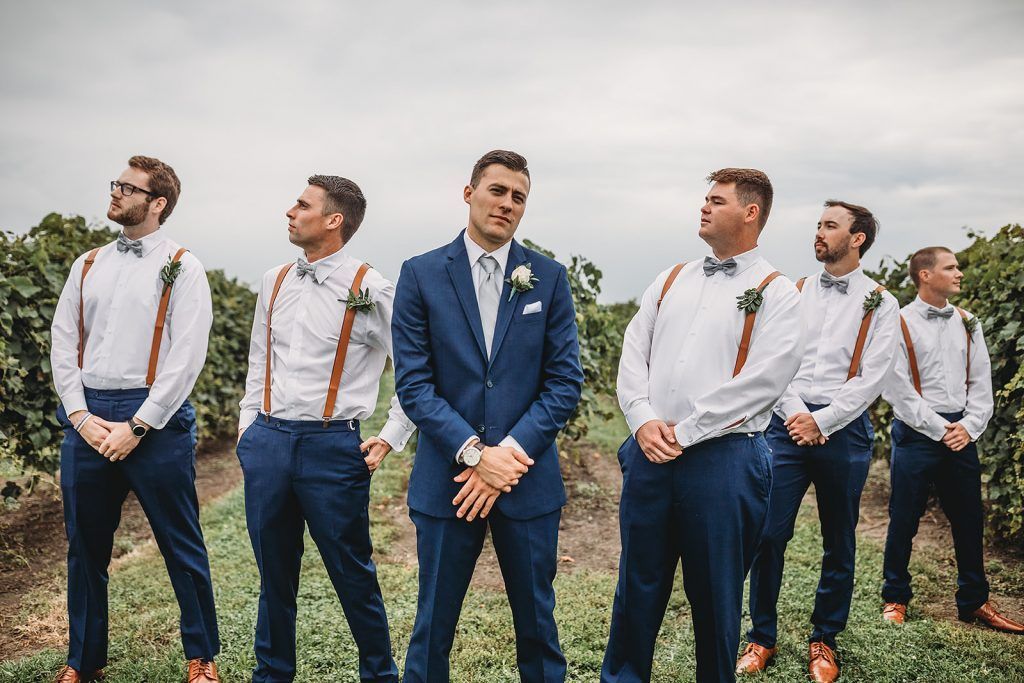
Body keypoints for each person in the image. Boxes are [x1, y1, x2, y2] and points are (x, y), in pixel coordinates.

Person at [603, 168, 803, 683]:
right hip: (650, 453)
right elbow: (634, 352)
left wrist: (687, 430)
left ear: (750, 212)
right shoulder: (670, 279)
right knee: (636, 586)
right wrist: (642, 419)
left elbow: (765, 381)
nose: (704, 207)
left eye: (717, 200)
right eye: (705, 199)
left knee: (716, 593)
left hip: (725, 460)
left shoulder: (778, 293)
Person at [392, 150, 583, 682]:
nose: (507, 203)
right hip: (448, 481)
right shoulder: (421, 273)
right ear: (469, 193)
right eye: (497, 190)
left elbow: (564, 382)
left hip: (527, 479)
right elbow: (414, 385)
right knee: (432, 627)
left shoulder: (548, 277)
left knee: (538, 628)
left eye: (518, 197)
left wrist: (508, 458)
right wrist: (476, 456)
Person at [236, 175, 415, 682]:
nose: (290, 212)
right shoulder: (273, 280)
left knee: (352, 572)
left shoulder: (371, 288)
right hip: (268, 442)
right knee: (274, 574)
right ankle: (272, 674)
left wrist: (392, 434)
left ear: (334, 220)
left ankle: (379, 675)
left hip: (332, 446)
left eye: (302, 205)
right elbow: (258, 360)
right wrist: (248, 430)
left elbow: (415, 369)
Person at [49, 156, 220, 683]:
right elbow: (63, 340)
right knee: (85, 547)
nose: (116, 192)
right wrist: (78, 414)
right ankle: (84, 662)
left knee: (180, 542)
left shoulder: (184, 266)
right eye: (116, 184)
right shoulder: (88, 264)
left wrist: (140, 425)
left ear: (157, 203)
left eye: (128, 187)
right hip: (88, 417)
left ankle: (201, 657)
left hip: (156, 419)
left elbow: (187, 355)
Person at [740, 200, 899, 682]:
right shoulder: (795, 291)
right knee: (768, 533)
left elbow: (873, 378)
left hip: (845, 431)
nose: (819, 233)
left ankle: (825, 638)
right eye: (819, 224)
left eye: (830, 226)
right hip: (787, 425)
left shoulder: (882, 303)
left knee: (839, 540)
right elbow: (775, 358)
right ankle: (761, 637)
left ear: (857, 238)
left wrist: (823, 420)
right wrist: (796, 414)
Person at [879, 246, 1024, 633]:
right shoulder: (898, 322)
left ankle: (974, 601)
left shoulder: (968, 321)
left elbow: (981, 380)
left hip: (961, 432)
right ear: (925, 275)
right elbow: (896, 387)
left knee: (969, 518)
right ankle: (895, 596)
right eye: (951, 267)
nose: (959, 273)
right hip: (916, 432)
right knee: (904, 518)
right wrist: (939, 428)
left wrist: (970, 426)